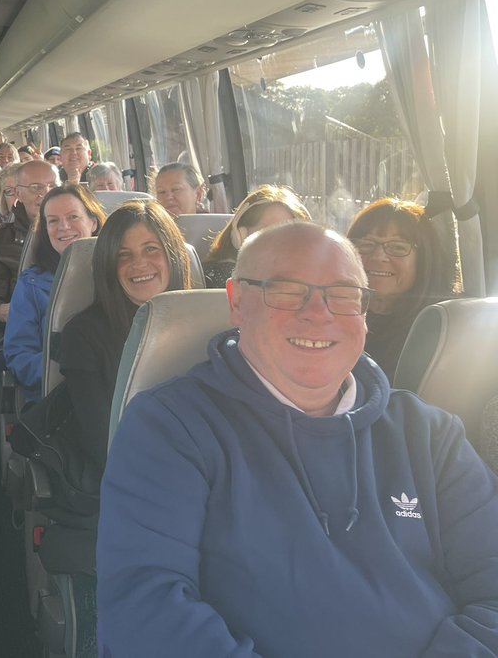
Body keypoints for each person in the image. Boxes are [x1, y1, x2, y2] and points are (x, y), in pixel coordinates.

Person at [96, 222, 498, 657]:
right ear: (236, 302)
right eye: (286, 290)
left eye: (343, 294)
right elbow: (147, 613)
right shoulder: (171, 426)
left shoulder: (429, 433)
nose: (318, 313)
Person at [59, 199, 191, 471]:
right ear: (108, 265)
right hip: (132, 477)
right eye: (123, 255)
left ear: (173, 256)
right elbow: (103, 443)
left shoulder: (204, 326)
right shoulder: (83, 335)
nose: (139, 264)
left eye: (151, 249)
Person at [3, 185, 104, 401]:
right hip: (56, 397)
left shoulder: (120, 274)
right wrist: (71, 374)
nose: (63, 227)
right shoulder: (31, 284)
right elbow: (19, 354)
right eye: (53, 221)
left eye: (73, 216)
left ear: (93, 222)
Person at [347, 198, 457, 380]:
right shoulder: (330, 314)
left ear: (424, 259)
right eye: (366, 244)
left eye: (397, 247)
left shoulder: (441, 330)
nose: (379, 256)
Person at [0, 159, 58, 323]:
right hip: (28, 324)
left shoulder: (79, 231)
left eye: (53, 187)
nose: (45, 194)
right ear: (19, 194)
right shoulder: (0, 241)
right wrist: (1, 310)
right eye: (36, 187)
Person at [203, 184, 310, 288]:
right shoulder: (214, 278)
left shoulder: (314, 280)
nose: (276, 241)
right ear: (240, 235)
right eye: (265, 231)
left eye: (286, 233)